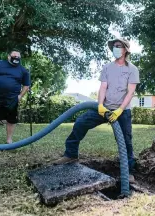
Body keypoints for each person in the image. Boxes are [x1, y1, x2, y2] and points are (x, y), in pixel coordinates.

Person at [53, 38, 140, 183]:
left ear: (125, 50)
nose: (115, 49)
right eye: (114, 47)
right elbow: (103, 87)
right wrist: (100, 105)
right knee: (81, 122)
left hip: (122, 111)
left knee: (126, 141)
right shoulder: (107, 67)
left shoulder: (132, 69)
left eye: (118, 46)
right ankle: (71, 154)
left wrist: (119, 110)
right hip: (104, 108)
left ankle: (129, 172)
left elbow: (130, 92)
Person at [0, 49, 30, 144]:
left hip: (12, 99)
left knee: (11, 120)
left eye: (18, 57)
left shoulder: (23, 70)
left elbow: (26, 85)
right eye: (14, 56)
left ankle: (9, 140)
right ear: (9, 56)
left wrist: (20, 96)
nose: (16, 58)